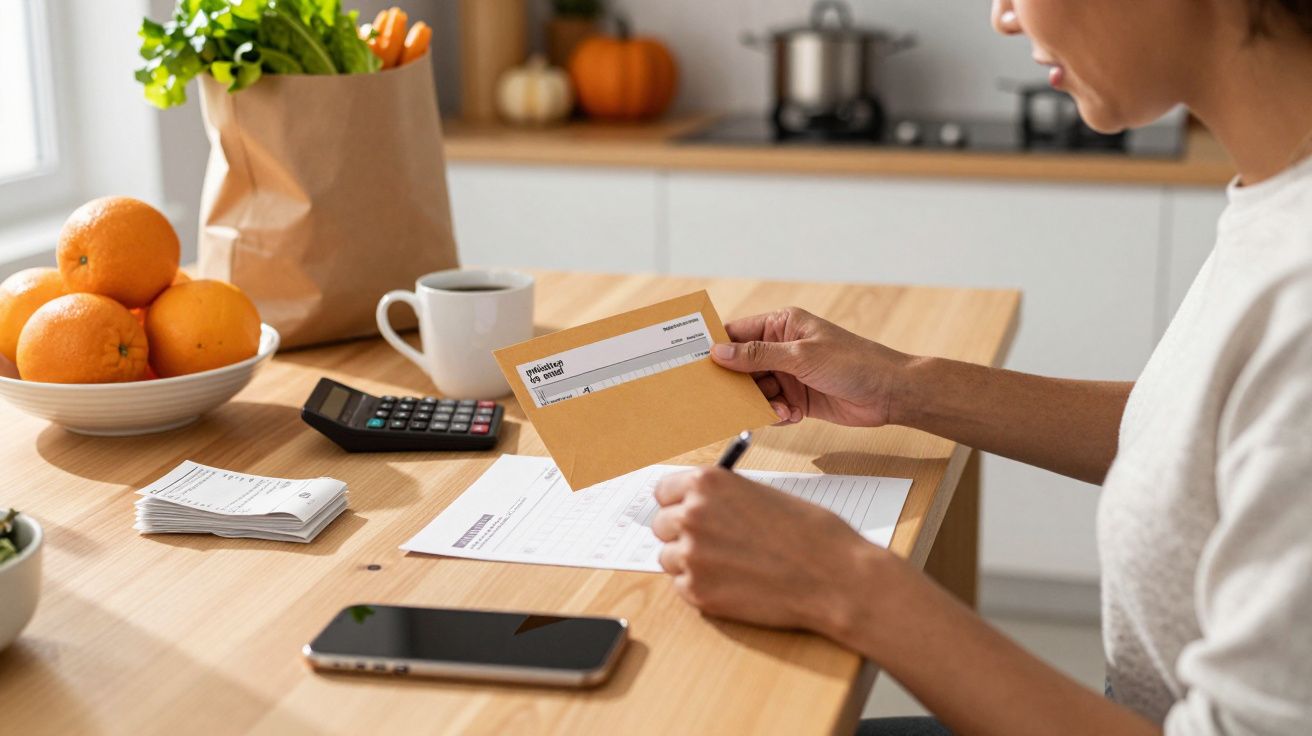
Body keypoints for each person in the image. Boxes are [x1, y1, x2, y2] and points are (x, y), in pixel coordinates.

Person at [650, 1, 1312, 734]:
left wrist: (842, 583)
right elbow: (1205, 436)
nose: (1003, 16)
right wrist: (903, 385)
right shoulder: (1280, 196)